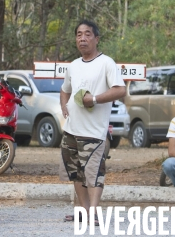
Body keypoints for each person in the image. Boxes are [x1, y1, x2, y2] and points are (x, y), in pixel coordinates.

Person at [59, 20, 126, 223]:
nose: (82, 38)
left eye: (87, 34)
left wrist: (94, 99)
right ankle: (84, 211)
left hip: (94, 132)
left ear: (96, 38)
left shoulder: (106, 63)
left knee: (95, 173)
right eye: (79, 34)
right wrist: (64, 105)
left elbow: (120, 90)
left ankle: (94, 213)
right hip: (71, 130)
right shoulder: (73, 66)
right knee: (76, 173)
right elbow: (65, 88)